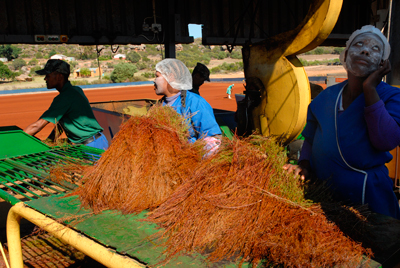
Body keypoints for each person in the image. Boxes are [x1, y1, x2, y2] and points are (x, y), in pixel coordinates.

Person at [284, 25, 400, 219]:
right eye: (359, 44)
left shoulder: (392, 96)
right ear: (345, 55)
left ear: (382, 63)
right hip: (325, 195)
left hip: (368, 198)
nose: (365, 50)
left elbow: (386, 141)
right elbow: (311, 139)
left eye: (375, 49)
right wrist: (304, 164)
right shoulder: (326, 97)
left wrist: (370, 88)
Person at [23, 59, 108, 150]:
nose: (45, 79)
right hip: (96, 141)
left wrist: (18, 138)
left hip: (92, 145)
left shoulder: (65, 97)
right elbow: (61, 125)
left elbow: (38, 125)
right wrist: (50, 140)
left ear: (59, 77)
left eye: (48, 75)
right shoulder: (76, 90)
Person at [154, 58, 222, 154]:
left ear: (170, 77)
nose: (154, 81)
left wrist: (194, 158)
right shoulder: (158, 106)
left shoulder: (195, 102)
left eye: (157, 76)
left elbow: (213, 137)